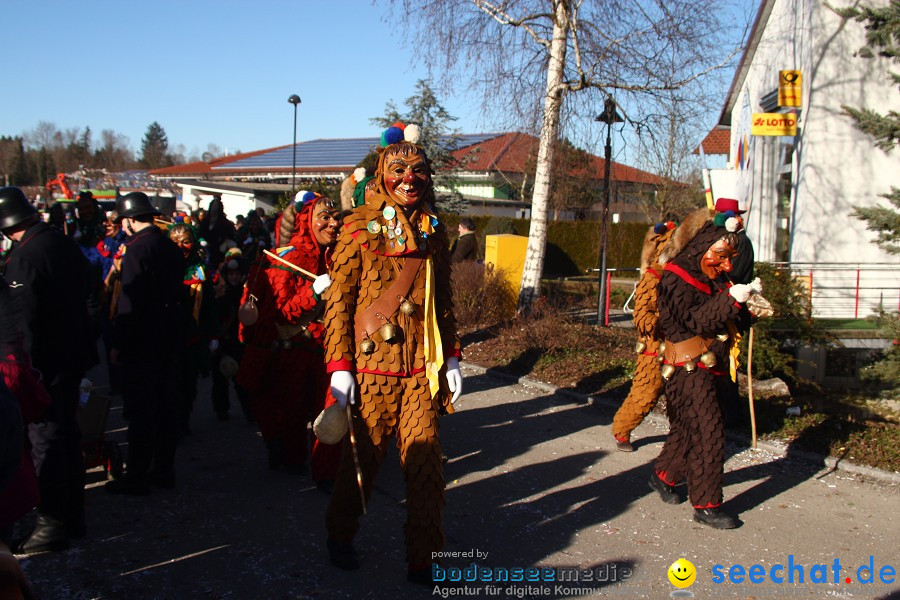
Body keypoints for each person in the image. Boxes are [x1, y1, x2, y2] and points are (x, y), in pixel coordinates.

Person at [323, 123, 463, 585]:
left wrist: (454, 356)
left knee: (426, 467)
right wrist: (339, 369)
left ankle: (423, 558)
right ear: (382, 173)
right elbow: (339, 304)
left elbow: (442, 302)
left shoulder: (434, 233)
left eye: (418, 170)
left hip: (423, 369)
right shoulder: (358, 229)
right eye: (399, 169)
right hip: (371, 367)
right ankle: (340, 534)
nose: (409, 178)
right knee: (363, 459)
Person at [648, 207, 763, 530]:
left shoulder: (716, 277)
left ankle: (664, 475)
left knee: (687, 429)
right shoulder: (675, 277)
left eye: (730, 258)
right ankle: (707, 504)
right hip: (684, 367)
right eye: (721, 256)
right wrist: (732, 299)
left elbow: (727, 317)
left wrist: (748, 304)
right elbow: (695, 320)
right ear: (703, 246)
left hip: (712, 364)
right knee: (709, 432)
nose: (727, 265)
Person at [0, 186, 96, 554]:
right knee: (68, 438)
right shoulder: (61, 242)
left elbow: (21, 324)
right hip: (72, 357)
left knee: (47, 443)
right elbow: (92, 294)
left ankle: (51, 522)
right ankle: (73, 516)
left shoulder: (24, 258)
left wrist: (24, 371)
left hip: (45, 366)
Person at [236, 193, 342, 486]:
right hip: (294, 350)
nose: (333, 224)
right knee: (293, 412)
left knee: (330, 412)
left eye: (336, 218)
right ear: (308, 220)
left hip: (329, 349)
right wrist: (314, 292)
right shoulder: (290, 257)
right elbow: (281, 312)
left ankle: (325, 472)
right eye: (325, 217)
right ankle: (292, 458)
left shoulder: (337, 256)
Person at [105, 192, 185, 495]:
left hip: (141, 341)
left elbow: (130, 302)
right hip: (167, 337)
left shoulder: (137, 250)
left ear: (128, 220)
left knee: (141, 411)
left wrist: (118, 342)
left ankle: (137, 474)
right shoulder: (168, 246)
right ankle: (164, 470)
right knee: (165, 408)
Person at [611, 221, 676, 452]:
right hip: (654, 348)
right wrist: (661, 323)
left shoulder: (684, 277)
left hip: (681, 348)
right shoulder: (652, 278)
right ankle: (621, 429)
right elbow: (641, 316)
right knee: (645, 394)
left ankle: (682, 439)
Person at [168, 223, 216, 437]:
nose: (181, 247)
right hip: (168, 336)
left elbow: (209, 306)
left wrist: (213, 335)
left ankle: (183, 419)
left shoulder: (200, 269)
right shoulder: (162, 266)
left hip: (192, 336)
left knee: (188, 382)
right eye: (175, 242)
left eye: (186, 241)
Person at [211, 258, 252, 422]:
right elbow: (214, 318)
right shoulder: (220, 293)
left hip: (240, 342)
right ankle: (221, 409)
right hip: (224, 341)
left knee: (242, 380)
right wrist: (214, 338)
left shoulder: (247, 293)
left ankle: (249, 410)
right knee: (220, 379)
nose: (234, 277)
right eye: (231, 274)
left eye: (237, 274)